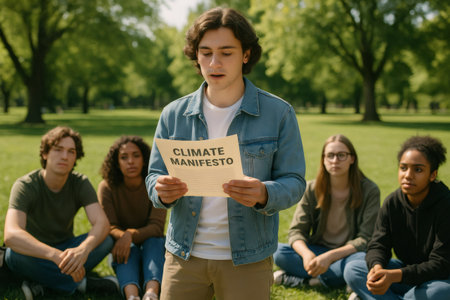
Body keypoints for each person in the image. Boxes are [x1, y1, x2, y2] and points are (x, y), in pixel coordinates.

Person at [145, 7, 306, 300]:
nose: (214, 62)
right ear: (196, 56)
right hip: (183, 255)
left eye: (226, 52)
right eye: (205, 52)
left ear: (246, 54)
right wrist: (161, 190)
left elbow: (295, 181)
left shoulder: (279, 113)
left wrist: (264, 193)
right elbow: (154, 176)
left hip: (248, 259)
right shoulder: (173, 114)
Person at [3, 126, 118, 299]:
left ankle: (42, 284)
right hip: (36, 253)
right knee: (13, 254)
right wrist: (54, 256)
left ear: (75, 157)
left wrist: (83, 250)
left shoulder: (80, 183)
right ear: (45, 154)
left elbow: (102, 224)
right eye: (58, 150)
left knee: (107, 240)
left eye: (71, 151)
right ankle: (81, 284)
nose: (65, 156)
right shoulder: (25, 185)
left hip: (68, 248)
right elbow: (11, 235)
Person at [345, 136, 450, 300]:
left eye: (418, 170)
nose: (408, 175)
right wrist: (377, 268)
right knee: (354, 269)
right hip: (406, 273)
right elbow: (378, 244)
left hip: (439, 278)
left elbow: (441, 264)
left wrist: (395, 276)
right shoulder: (392, 202)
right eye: (403, 168)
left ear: (433, 174)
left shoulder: (446, 205)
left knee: (439, 293)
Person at [273, 134, 380, 289]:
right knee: (278, 252)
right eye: (330, 155)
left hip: (348, 254)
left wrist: (329, 258)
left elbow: (365, 239)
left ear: (352, 159)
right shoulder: (311, 189)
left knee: (360, 263)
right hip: (318, 251)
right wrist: (307, 255)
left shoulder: (369, 191)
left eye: (341, 155)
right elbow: (296, 232)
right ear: (323, 159)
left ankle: (309, 281)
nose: (335, 160)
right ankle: (343, 280)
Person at [98, 136, 167, 300]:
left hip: (153, 246)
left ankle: (151, 294)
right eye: (124, 157)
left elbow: (157, 227)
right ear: (117, 162)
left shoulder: (156, 184)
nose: (130, 161)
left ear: (144, 160)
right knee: (130, 248)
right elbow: (110, 225)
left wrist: (128, 234)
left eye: (136, 155)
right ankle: (132, 296)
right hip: (123, 248)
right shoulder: (107, 187)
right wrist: (125, 237)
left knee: (155, 241)